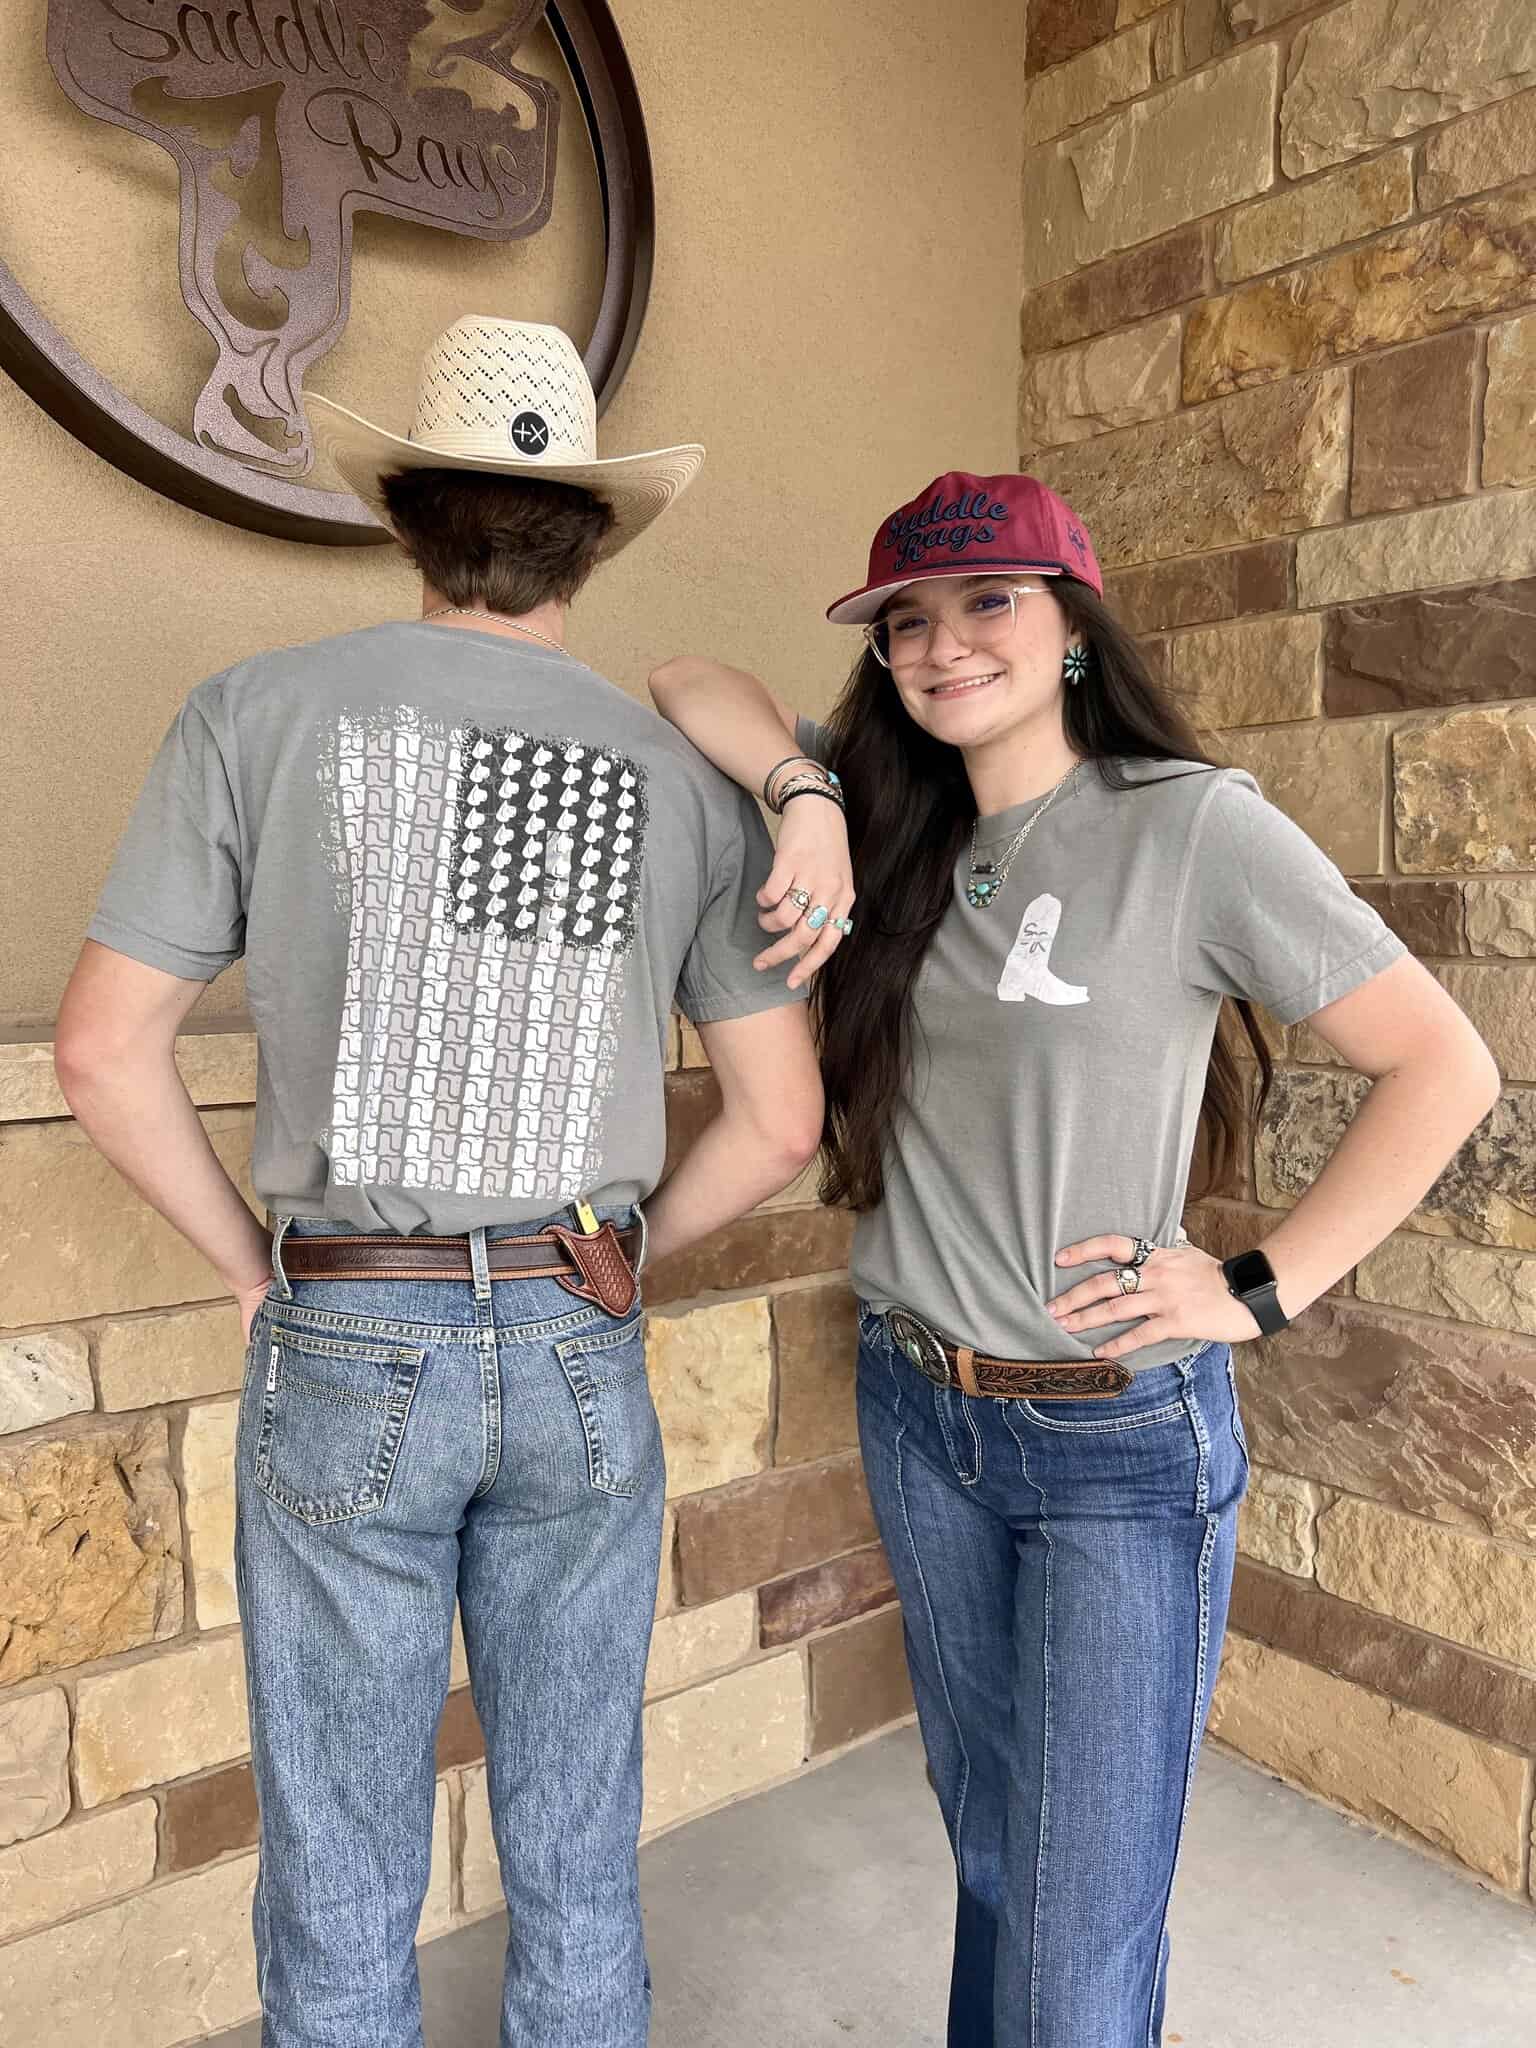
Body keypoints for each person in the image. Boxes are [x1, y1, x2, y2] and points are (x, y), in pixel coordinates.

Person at [648, 470, 1501, 2048]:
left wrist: (1258, 1287)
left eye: (991, 603)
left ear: (1076, 633)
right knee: (993, 1854)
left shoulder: (1190, 826)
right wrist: (808, 794)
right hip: (920, 1409)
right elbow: (684, 677)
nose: (944, 645)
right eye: (909, 620)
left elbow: (1445, 1065)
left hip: (1116, 1443)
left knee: (1075, 1930)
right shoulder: (894, 823)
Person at [53, 317, 823, 2048]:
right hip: (574, 1324)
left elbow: (101, 1052)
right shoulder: (683, 780)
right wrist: (611, 1263)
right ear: (592, 539)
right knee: (578, 1832)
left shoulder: (252, 714)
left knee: (339, 1854)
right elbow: (779, 1123)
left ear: (403, 514)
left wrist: (252, 1268)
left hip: (347, 1326)